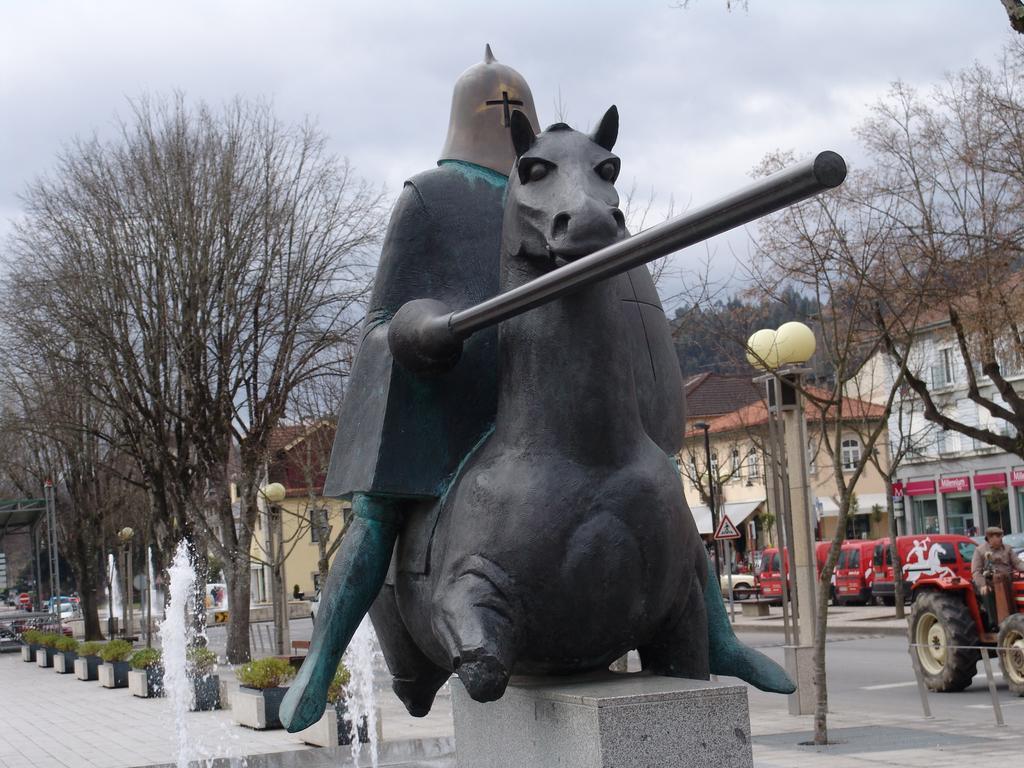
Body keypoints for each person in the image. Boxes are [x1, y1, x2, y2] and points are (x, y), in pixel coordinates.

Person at [280, 47, 792, 733]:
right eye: (499, 108)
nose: (507, 114)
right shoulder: (431, 198)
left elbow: (630, 304)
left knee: (653, 474)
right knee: (376, 513)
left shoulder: (575, 195)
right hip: (449, 379)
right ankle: (323, 660)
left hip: (562, 376)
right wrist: (418, 330)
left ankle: (718, 635)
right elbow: (382, 317)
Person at [971, 526, 1024, 594]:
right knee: (988, 596)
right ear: (989, 538)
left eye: (1001, 536)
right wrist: (983, 584)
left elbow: (1017, 563)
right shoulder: (980, 550)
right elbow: (976, 571)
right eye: (998, 536)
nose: (1000, 539)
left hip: (1007, 583)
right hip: (990, 586)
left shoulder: (1007, 548)